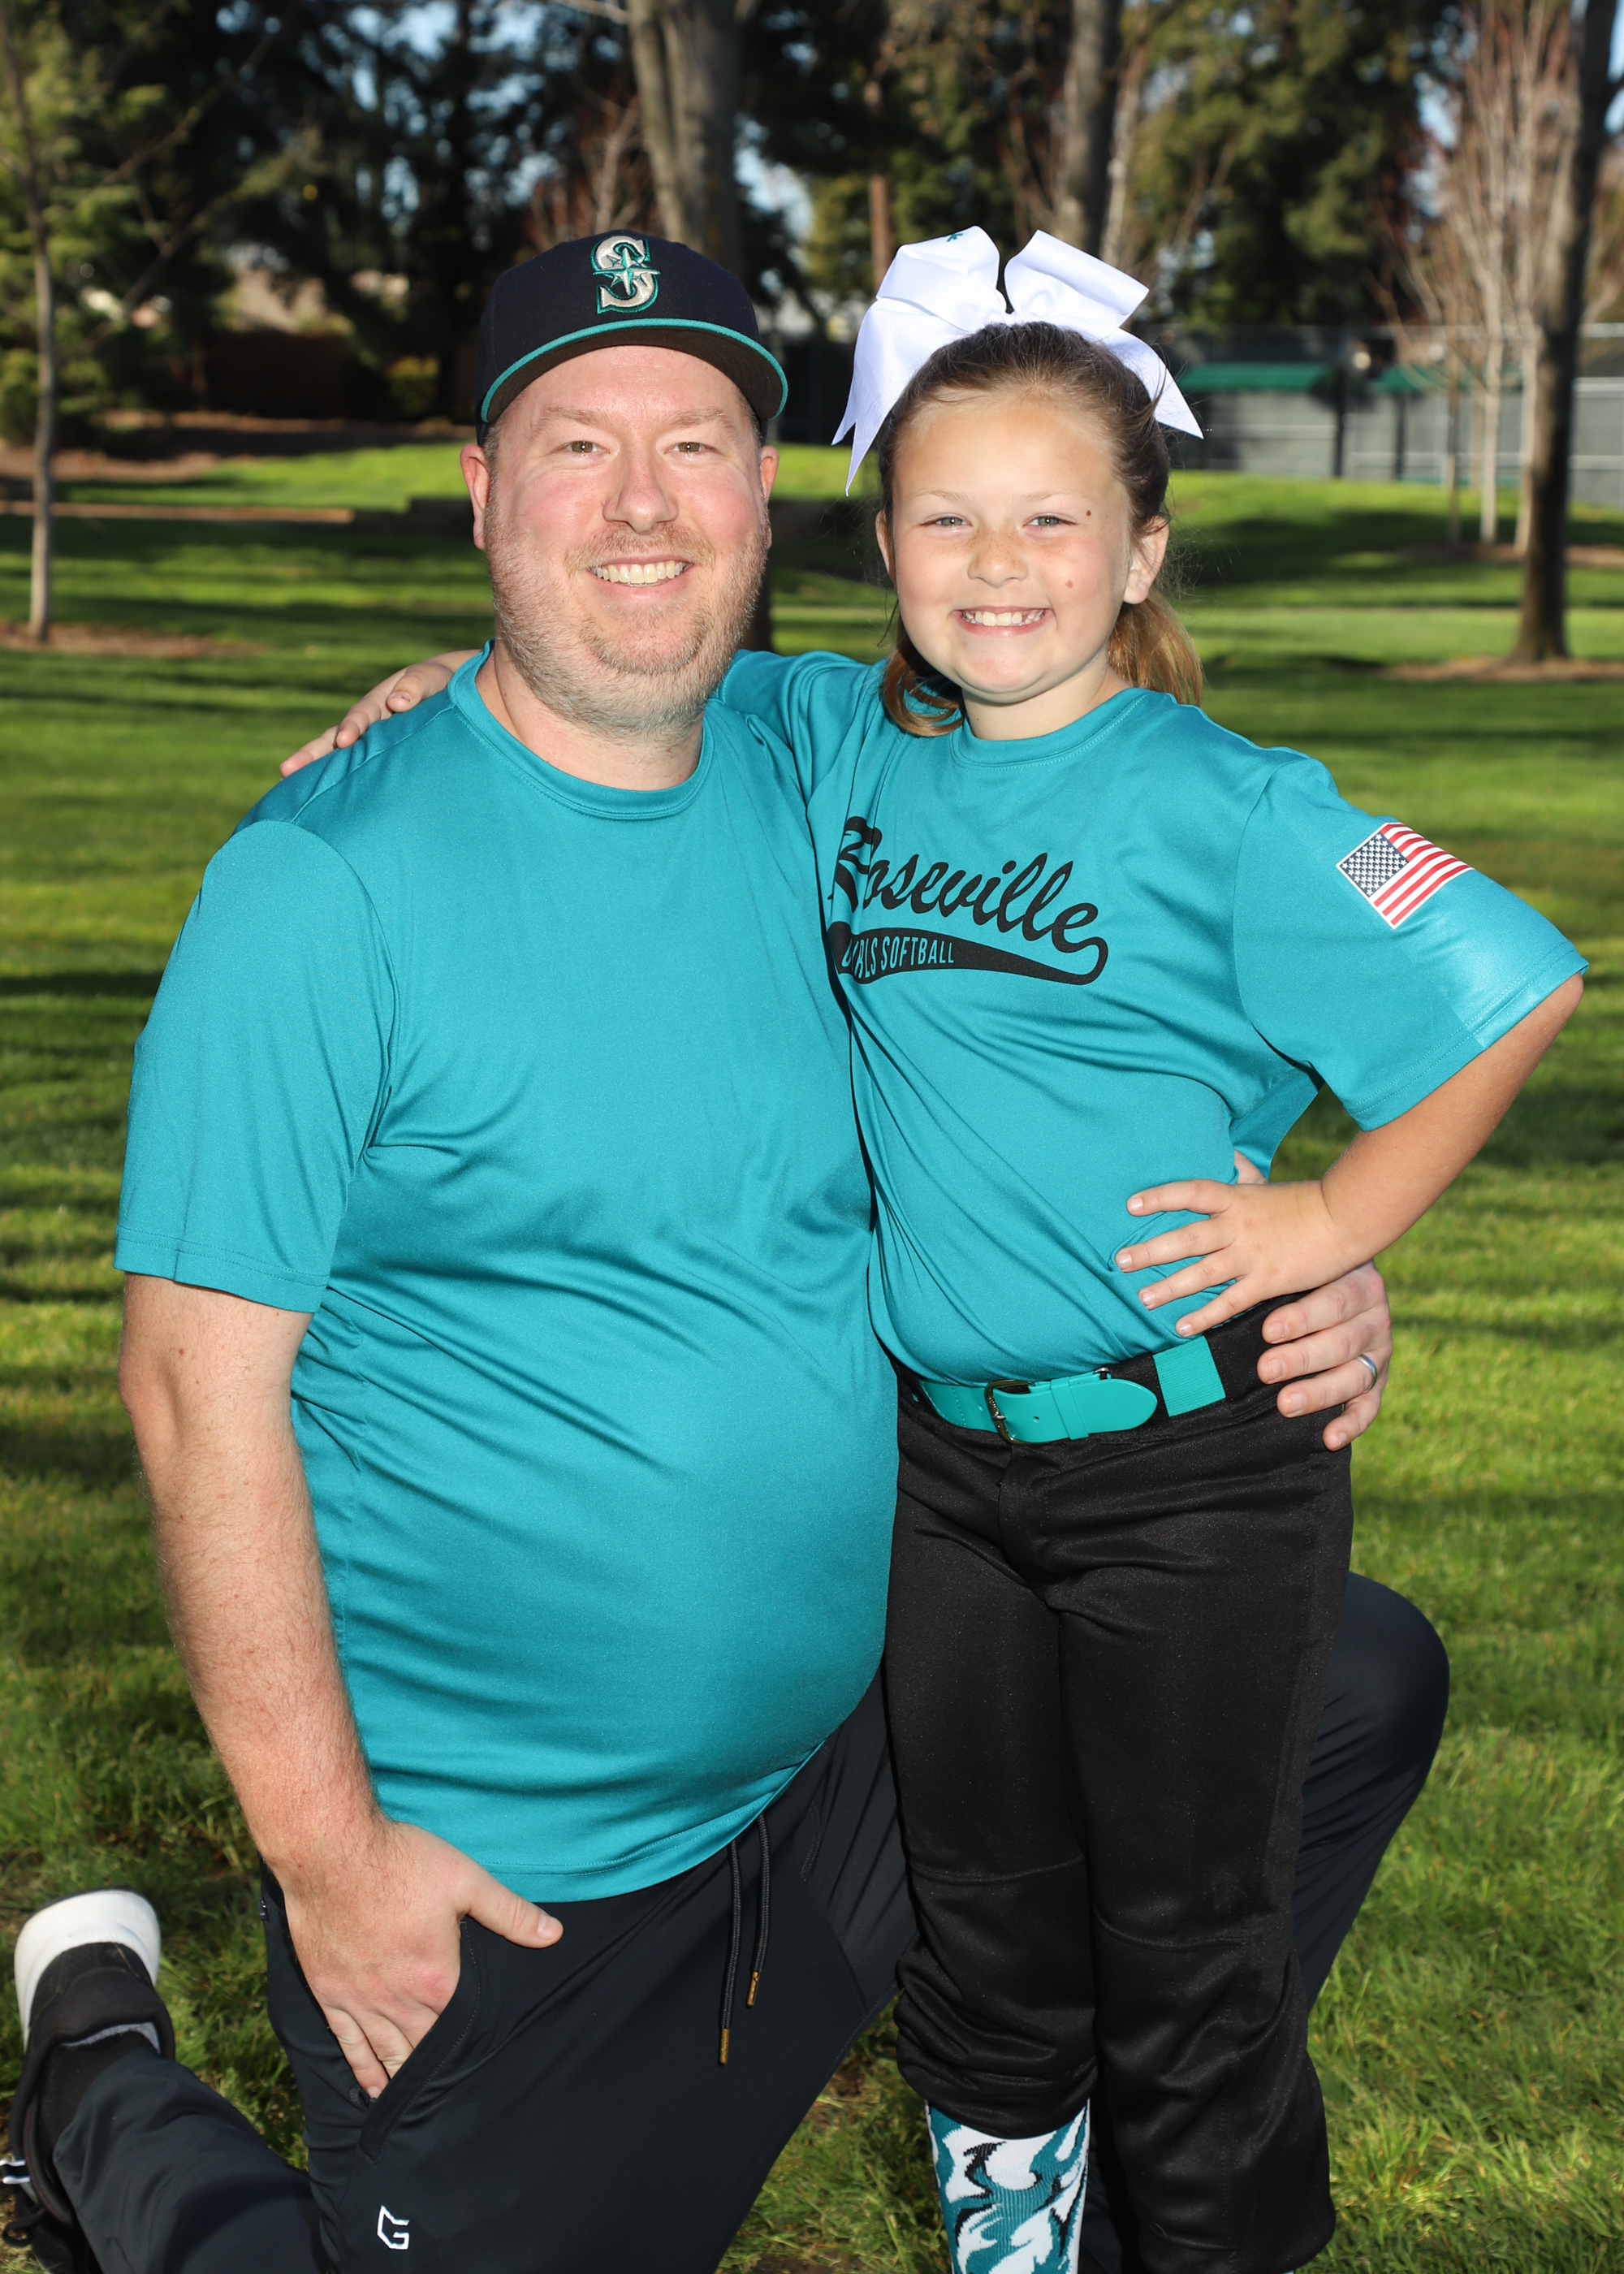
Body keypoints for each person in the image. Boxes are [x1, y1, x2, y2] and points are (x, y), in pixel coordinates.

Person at [3, 233, 1436, 2274]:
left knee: (1347, 1678)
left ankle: (1095, 2204)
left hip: (874, 1755)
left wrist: (1302, 1242)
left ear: (763, 500)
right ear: (483, 494)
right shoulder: (321, 884)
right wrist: (330, 1858)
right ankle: (94, 2061)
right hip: (523, 1881)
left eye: (694, 444)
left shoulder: (831, 770)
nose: (642, 505)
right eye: (575, 445)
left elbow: (1088, 977)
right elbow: (187, 1386)